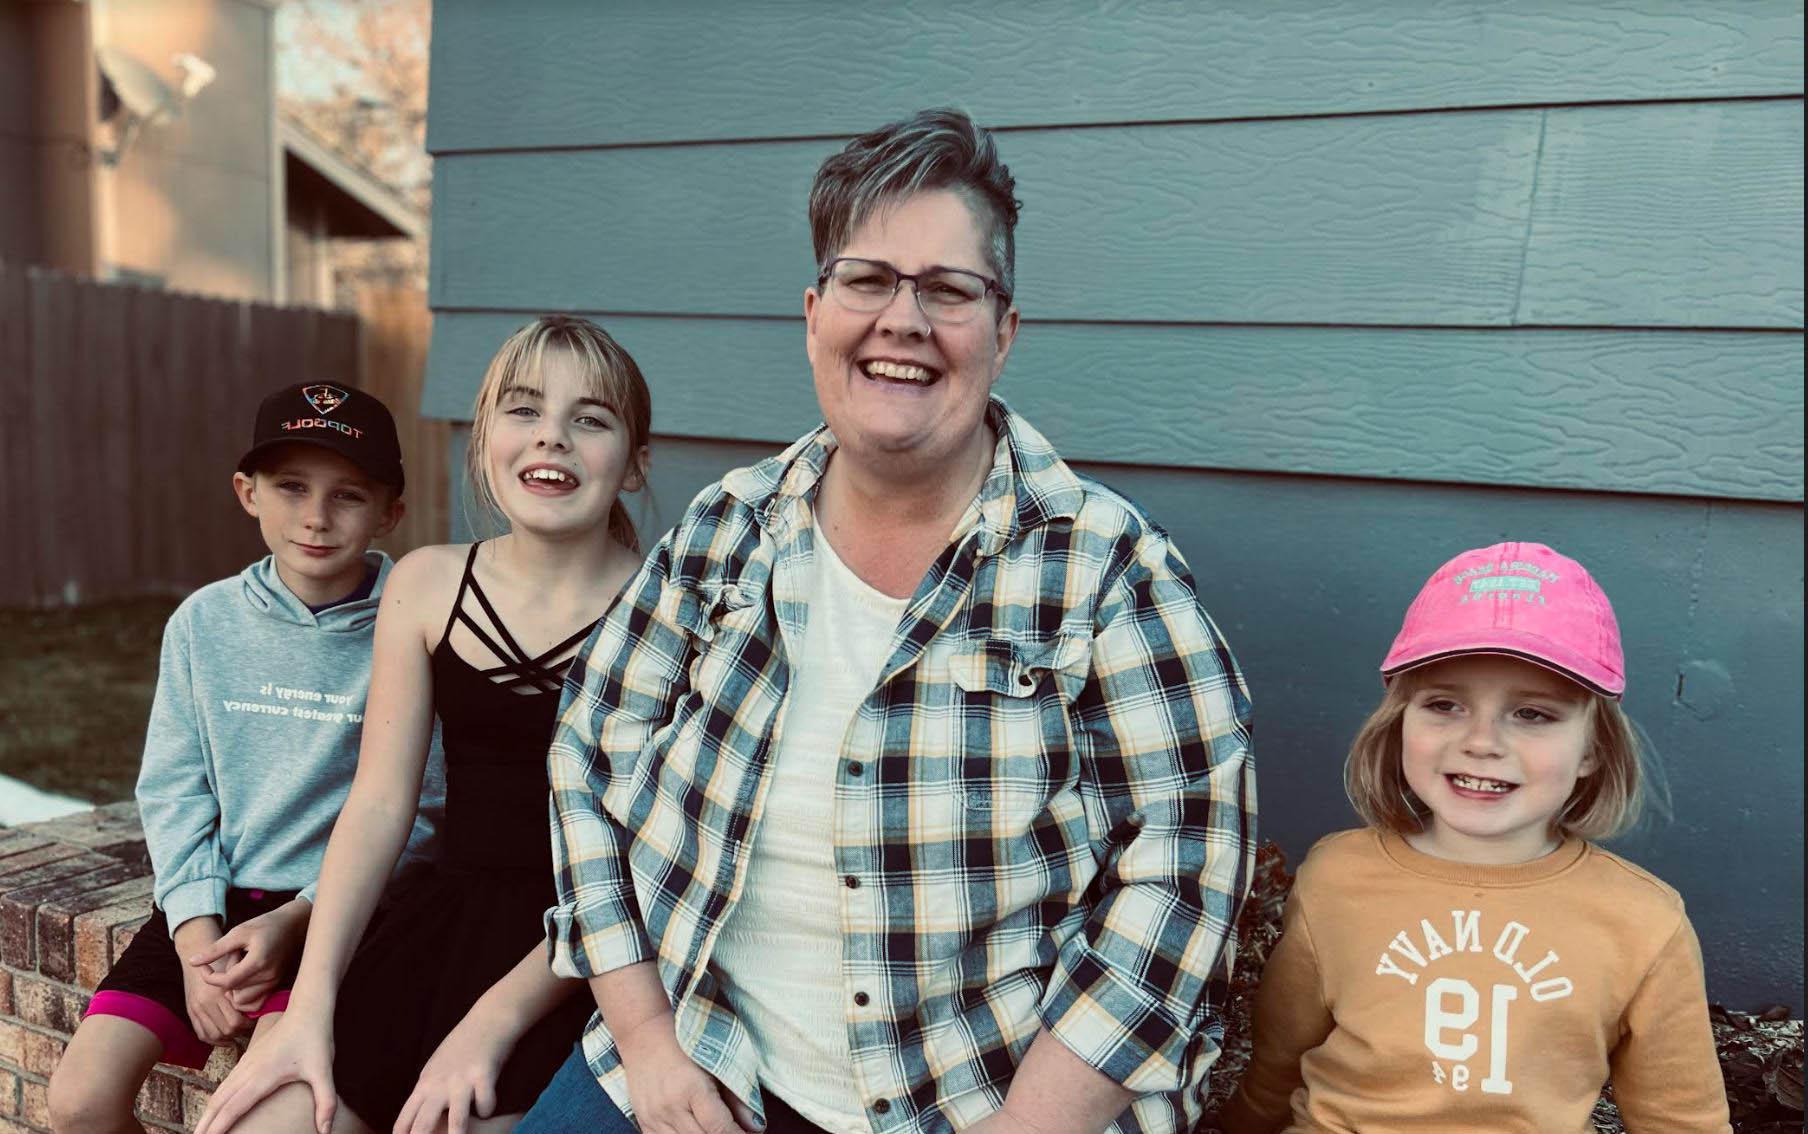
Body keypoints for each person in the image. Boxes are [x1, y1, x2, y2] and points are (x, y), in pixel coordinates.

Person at [523, 108, 1255, 1134]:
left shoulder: (1106, 568)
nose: (901, 320)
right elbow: (587, 760)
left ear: (1002, 333)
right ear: (814, 311)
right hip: (697, 1049)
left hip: (986, 1101)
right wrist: (645, 1042)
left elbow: (1182, 870)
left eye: (947, 290)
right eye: (867, 280)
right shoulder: (722, 532)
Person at [193, 317, 654, 1134]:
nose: (552, 436)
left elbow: (645, 864)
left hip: (589, 953)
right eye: (522, 410)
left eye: (591, 418)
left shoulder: (668, 611)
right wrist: (309, 1007)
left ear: (634, 463)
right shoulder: (426, 584)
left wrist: (488, 1024)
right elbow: (377, 807)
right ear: (483, 439)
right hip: (439, 925)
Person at [1219, 541, 1731, 1133]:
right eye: (1445, 705)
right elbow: (1275, 1065)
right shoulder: (1337, 877)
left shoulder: (1644, 922)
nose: (1482, 741)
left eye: (1532, 714)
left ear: (1593, 748)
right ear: (1399, 720)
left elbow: (1681, 1120)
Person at [49, 382, 439, 1133]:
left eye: (348, 495)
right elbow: (173, 790)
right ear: (247, 492)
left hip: (344, 914)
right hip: (220, 903)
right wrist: (196, 939)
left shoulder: (412, 619)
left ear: (390, 511)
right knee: (78, 1103)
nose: (316, 517)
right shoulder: (203, 622)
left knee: (253, 1117)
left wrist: (299, 919)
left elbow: (424, 811)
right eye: (291, 488)